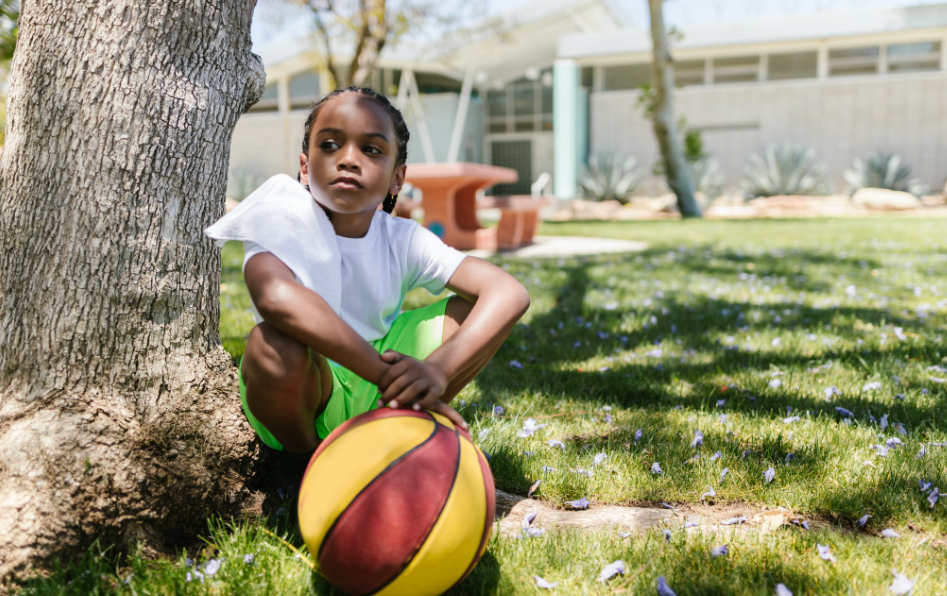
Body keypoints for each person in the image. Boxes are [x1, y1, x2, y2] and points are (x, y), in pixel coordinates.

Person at [233, 87, 530, 474]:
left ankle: (402, 426)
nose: (349, 160)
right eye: (330, 145)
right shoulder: (280, 218)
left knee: (473, 310)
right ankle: (307, 466)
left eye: (371, 150)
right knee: (273, 342)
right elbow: (274, 297)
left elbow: (509, 292)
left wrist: (437, 369)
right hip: (310, 384)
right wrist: (382, 372)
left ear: (397, 178)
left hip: (381, 382)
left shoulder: (402, 237)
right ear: (305, 168)